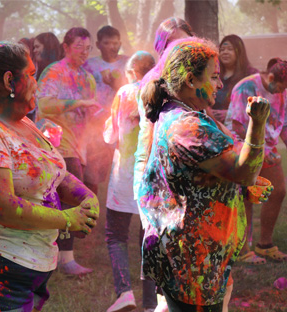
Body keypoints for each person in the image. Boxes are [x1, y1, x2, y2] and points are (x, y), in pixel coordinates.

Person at [0, 41, 99, 311]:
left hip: (26, 264)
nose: (38, 82)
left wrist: (86, 196)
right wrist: (67, 219)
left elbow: (53, 172)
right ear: (9, 80)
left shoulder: (23, 123)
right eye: (33, 74)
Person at [137, 36, 270, 311]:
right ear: (190, 80)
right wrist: (257, 124)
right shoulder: (187, 127)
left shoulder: (181, 112)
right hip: (193, 261)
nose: (220, 84)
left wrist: (241, 187)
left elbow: (201, 174)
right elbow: (244, 171)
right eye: (215, 76)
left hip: (197, 255)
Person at [133, 17, 194, 312]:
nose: (178, 48)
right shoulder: (154, 81)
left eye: (184, 41)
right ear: (161, 49)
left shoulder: (198, 75)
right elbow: (146, 142)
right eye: (171, 44)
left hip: (190, 179)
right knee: (170, 271)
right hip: (160, 180)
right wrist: (143, 190)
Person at [37, 27, 101, 276]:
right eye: (79, 47)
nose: (85, 53)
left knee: (71, 196)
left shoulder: (87, 77)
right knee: (72, 196)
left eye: (88, 49)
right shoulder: (54, 72)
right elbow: (44, 105)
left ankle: (57, 252)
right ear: (66, 47)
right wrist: (80, 103)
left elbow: (89, 110)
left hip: (80, 143)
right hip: (55, 142)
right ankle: (66, 259)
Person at [103, 51, 156, 312]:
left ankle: (125, 292)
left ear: (133, 72)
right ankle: (150, 302)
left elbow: (111, 135)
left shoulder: (125, 93)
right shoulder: (162, 91)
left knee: (115, 235)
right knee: (148, 237)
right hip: (153, 175)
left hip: (125, 175)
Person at [225, 57, 287, 264]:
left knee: (278, 190)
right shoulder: (247, 87)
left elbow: (283, 125)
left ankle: (265, 245)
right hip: (241, 145)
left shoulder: (283, 92)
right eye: (280, 86)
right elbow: (238, 125)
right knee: (245, 195)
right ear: (270, 77)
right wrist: (259, 149)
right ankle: (243, 250)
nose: (281, 92)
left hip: (266, 148)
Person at [82, 25, 130, 195]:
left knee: (120, 167)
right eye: (107, 42)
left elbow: (133, 90)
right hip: (96, 124)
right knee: (93, 170)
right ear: (98, 44)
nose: (112, 46)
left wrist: (115, 84)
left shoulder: (127, 63)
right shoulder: (90, 65)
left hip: (122, 123)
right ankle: (93, 206)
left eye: (115, 43)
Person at [212, 34, 258, 123]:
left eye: (230, 49)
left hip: (240, 127)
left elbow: (257, 105)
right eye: (222, 50)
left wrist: (230, 114)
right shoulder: (213, 74)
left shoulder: (250, 76)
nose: (225, 52)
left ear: (239, 52)